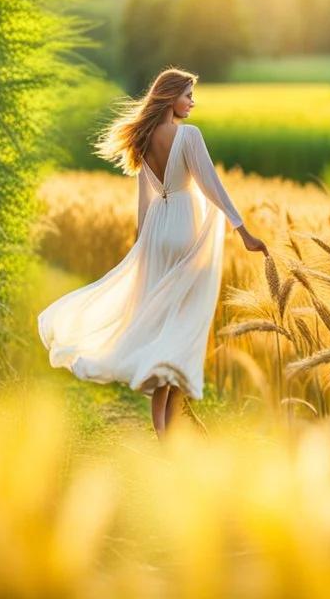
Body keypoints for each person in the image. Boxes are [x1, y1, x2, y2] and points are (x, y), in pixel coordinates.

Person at [38, 67, 268, 440]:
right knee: (184, 325)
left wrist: (141, 246)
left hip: (157, 232)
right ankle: (171, 427)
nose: (192, 102)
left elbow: (143, 200)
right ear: (171, 96)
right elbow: (212, 186)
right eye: (189, 95)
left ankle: (163, 429)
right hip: (184, 230)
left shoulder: (142, 139)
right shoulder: (188, 135)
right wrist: (243, 230)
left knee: (163, 325)